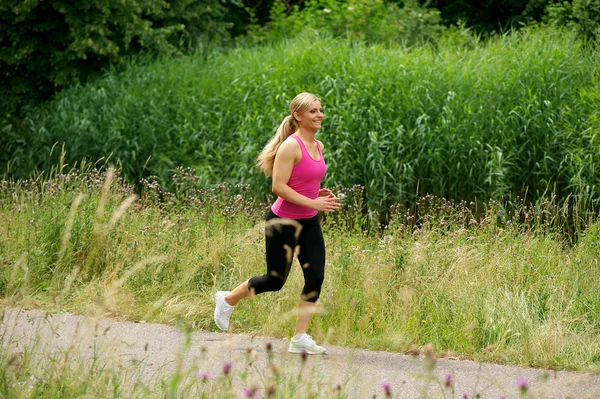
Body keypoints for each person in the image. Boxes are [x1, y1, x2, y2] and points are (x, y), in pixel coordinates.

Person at [213, 92, 341, 354]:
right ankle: (227, 299)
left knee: (315, 277)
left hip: (308, 222)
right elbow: (278, 187)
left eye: (320, 110)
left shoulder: (319, 146)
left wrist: (318, 195)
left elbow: (302, 184)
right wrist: (313, 203)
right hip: (282, 221)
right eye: (313, 111)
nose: (320, 115)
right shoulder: (290, 146)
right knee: (274, 280)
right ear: (298, 115)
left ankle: (300, 338)